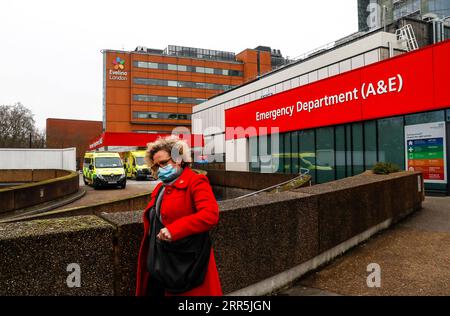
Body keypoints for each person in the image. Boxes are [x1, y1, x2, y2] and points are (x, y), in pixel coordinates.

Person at [135, 136, 222, 296]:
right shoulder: (160, 188)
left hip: (188, 264)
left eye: (163, 163)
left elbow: (210, 215)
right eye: (156, 165)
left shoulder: (196, 181)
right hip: (162, 263)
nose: (160, 168)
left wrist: (174, 230)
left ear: (179, 159)